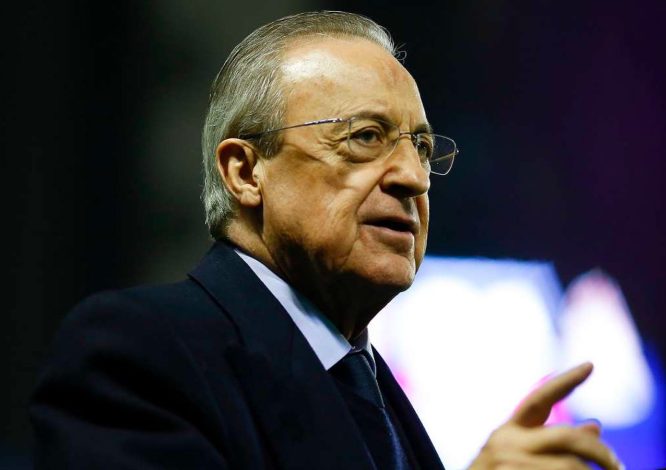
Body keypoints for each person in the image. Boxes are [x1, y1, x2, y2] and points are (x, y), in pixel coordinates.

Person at [30, 11, 624, 470]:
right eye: (366, 137)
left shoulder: (374, 389)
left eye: (421, 147)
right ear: (246, 171)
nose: (413, 178)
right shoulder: (140, 351)